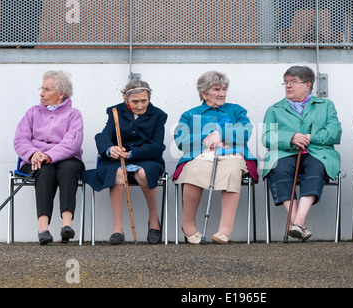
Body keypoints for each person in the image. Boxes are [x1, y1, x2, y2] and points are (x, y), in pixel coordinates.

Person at [173, 71, 258, 244]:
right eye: (216, 89)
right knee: (193, 172)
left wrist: (222, 134)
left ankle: (224, 231)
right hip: (201, 155)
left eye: (224, 89)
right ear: (203, 93)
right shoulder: (189, 115)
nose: (222, 93)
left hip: (231, 154)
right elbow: (181, 141)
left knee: (233, 171)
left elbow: (246, 131)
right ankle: (188, 225)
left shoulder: (236, 110)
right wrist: (207, 140)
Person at [262, 66, 342, 241]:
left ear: (307, 85)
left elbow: (335, 133)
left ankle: (297, 221)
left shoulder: (326, 105)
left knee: (316, 167)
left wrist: (309, 137)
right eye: (286, 82)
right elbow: (267, 137)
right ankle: (298, 224)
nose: (288, 86)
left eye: (293, 82)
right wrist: (290, 137)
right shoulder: (274, 109)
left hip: (318, 152)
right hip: (284, 153)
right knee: (279, 168)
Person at [83, 80, 167, 245]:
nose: (140, 105)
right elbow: (103, 136)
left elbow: (157, 146)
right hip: (118, 160)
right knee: (118, 174)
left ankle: (153, 220)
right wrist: (110, 149)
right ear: (126, 99)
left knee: (143, 173)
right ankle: (117, 229)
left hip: (147, 158)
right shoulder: (115, 112)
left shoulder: (158, 115)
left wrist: (132, 154)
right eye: (135, 101)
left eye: (144, 101)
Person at [13, 70, 85, 245]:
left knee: (68, 169)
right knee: (44, 170)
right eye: (42, 88)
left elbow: (72, 143)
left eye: (47, 89)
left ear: (61, 94)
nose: (41, 93)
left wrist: (49, 155)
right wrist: (34, 154)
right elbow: (20, 140)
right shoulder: (32, 113)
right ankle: (43, 228)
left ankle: (67, 225)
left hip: (66, 158)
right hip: (36, 160)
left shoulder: (74, 115)